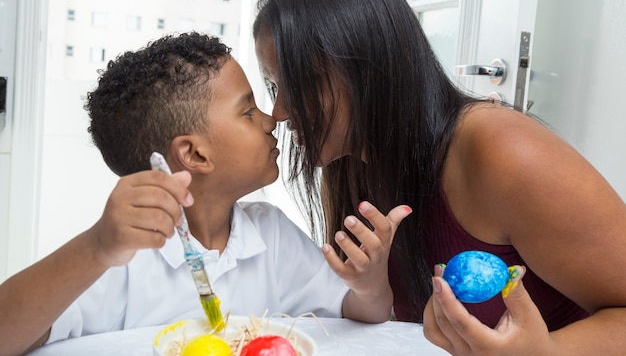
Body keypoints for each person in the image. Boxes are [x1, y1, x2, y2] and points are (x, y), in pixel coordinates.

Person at [252, 0, 626, 355]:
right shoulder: (349, 169)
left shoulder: (502, 150)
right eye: (275, 86)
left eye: (295, 84)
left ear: (364, 68)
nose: (278, 111)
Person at [0, 32, 410, 356]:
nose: (272, 120)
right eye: (248, 111)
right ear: (194, 154)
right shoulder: (123, 257)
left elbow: (361, 315)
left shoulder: (272, 235)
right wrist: (96, 247)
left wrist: (370, 284)